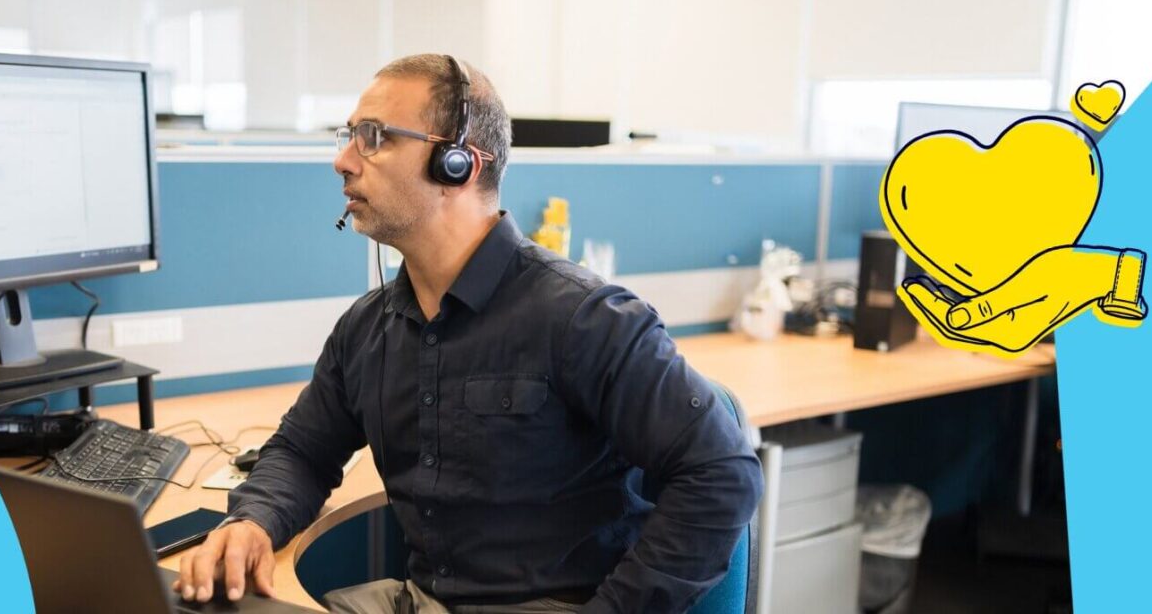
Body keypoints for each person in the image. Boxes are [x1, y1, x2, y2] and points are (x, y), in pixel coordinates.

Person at [174, 54, 762, 614]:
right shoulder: (368, 327)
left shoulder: (580, 317)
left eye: (374, 136)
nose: (345, 160)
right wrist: (251, 521)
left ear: (458, 164)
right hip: (421, 600)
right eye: (348, 135)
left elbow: (721, 473)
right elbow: (303, 451)